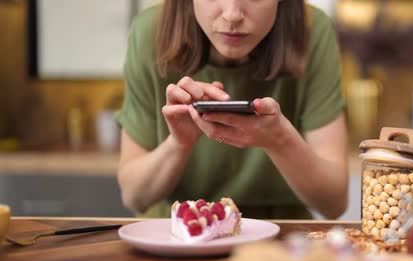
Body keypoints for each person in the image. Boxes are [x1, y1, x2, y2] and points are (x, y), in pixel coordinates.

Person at [116, 0, 348, 220]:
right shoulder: (150, 32)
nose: (232, 14)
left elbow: (334, 203)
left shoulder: (313, 31)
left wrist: (279, 140)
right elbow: (134, 196)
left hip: (280, 239)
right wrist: (179, 144)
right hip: (174, 231)